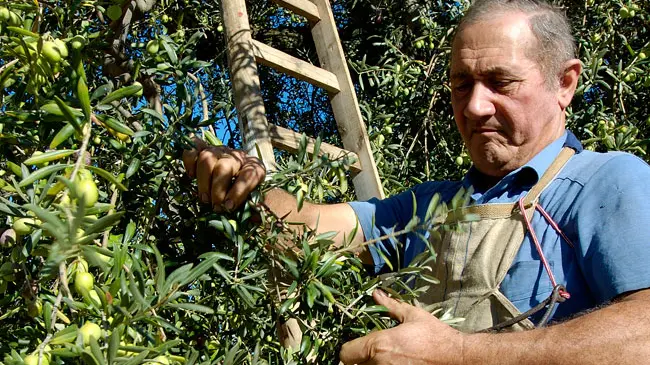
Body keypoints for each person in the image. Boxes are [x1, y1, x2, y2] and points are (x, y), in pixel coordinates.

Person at [182, 0, 650, 363]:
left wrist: (457, 354)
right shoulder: (427, 209)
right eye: (461, 84)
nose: (473, 107)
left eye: (500, 82)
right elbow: (299, 230)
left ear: (565, 83)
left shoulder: (607, 183)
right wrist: (239, 181)